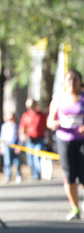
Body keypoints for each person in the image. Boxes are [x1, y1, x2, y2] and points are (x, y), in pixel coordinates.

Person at [47, 69, 84, 221]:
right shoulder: (58, 99)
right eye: (69, 79)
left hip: (82, 140)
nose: (72, 82)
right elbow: (49, 121)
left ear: (80, 81)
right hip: (64, 140)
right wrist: (57, 123)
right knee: (69, 175)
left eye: (75, 79)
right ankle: (75, 208)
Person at [19, 98, 48, 180]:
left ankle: (38, 174)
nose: (30, 108)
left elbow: (46, 127)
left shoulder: (41, 115)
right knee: (30, 159)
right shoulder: (25, 115)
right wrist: (22, 135)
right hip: (29, 140)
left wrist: (48, 138)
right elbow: (22, 127)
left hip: (39, 139)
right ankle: (34, 174)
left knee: (36, 156)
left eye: (31, 106)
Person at [0, 112, 22, 184]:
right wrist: (1, 146)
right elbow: (2, 137)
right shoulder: (4, 126)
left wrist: (19, 145)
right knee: (7, 161)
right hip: (7, 145)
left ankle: (18, 175)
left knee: (17, 161)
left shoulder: (17, 126)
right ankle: (8, 176)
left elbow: (20, 136)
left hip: (15, 145)